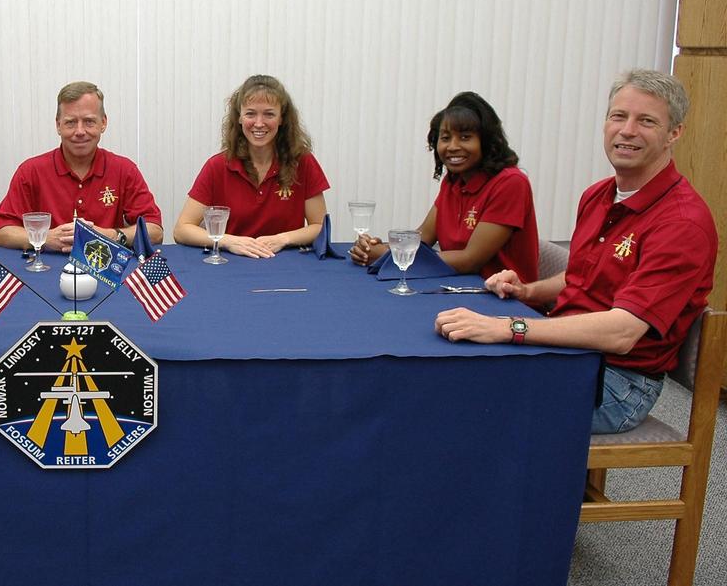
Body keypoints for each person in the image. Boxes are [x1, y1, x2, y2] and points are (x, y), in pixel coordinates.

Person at [435, 70, 717, 434]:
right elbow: (583, 274)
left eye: (646, 121)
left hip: (618, 381)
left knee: (464, 405)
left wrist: (510, 327)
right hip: (572, 352)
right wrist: (529, 291)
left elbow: (623, 332)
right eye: (618, 116)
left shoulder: (682, 223)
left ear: (674, 133)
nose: (627, 130)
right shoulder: (598, 195)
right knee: (445, 372)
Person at [349, 92, 539, 280]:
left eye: (465, 137)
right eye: (446, 138)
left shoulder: (511, 183)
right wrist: (376, 247)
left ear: (486, 141)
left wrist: (388, 256)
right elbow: (422, 239)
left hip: (503, 300)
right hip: (455, 288)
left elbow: (471, 259)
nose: (453, 146)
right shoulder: (454, 180)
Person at [0, 81, 162, 252]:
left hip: (105, 269)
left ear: (103, 123)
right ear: (58, 125)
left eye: (89, 121)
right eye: (71, 122)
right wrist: (44, 238)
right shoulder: (31, 171)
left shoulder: (124, 169)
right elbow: (2, 233)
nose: (80, 131)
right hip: (46, 270)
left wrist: (113, 236)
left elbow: (155, 231)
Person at [173, 75, 328, 257]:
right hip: (231, 263)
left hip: (287, 264)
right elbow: (182, 230)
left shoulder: (303, 162)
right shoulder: (217, 166)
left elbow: (320, 227)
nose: (259, 123)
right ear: (239, 117)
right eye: (250, 113)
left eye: (269, 114)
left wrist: (282, 239)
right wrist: (229, 241)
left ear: (282, 119)